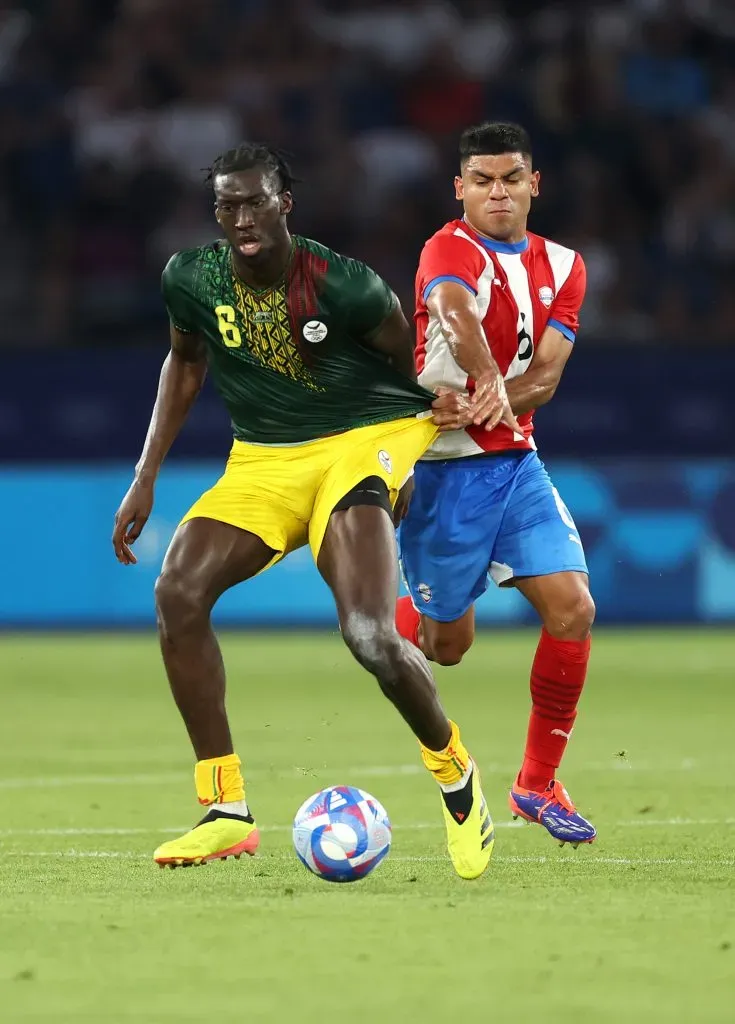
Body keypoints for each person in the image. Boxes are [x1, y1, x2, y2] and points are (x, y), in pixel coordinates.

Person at [112, 143, 496, 878]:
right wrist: (146, 472)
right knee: (176, 591)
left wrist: (412, 452)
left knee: (369, 637)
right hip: (263, 459)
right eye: (228, 204)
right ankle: (224, 810)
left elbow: (410, 365)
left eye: (255, 201)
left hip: (359, 444)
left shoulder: (344, 284)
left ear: (284, 203)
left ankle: (455, 777)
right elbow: (186, 362)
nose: (242, 217)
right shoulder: (189, 278)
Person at [395, 122, 597, 846]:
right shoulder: (446, 248)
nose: (497, 191)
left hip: (514, 463)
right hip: (441, 468)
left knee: (572, 607)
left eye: (510, 177)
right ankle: (389, 626)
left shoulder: (565, 266)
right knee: (448, 647)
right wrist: (484, 379)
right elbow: (454, 312)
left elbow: (545, 376)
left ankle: (535, 784)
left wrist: (496, 400)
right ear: (460, 187)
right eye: (481, 179)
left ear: (533, 184)